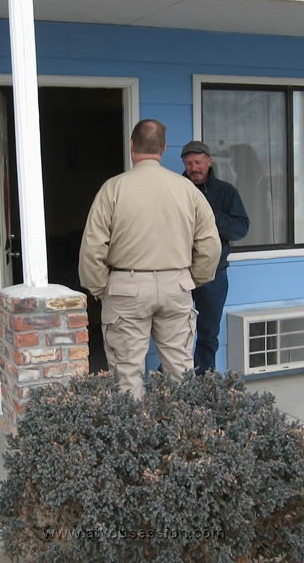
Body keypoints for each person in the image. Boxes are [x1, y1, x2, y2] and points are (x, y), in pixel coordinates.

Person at [79, 119, 221, 400]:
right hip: (177, 285)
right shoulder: (187, 189)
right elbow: (210, 244)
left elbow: (93, 247)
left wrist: (99, 288)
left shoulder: (113, 188)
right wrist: (193, 279)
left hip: (126, 287)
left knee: (127, 375)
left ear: (132, 146)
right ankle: (182, 436)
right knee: (180, 371)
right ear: (164, 148)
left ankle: (134, 440)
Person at [181, 140, 250, 375]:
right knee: (174, 332)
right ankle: (170, 386)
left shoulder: (226, 191)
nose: (194, 168)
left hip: (214, 274)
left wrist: (210, 216)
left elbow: (241, 228)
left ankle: (203, 383)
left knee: (208, 333)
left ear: (209, 161)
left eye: (198, 162)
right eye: (189, 163)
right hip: (178, 272)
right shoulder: (176, 190)